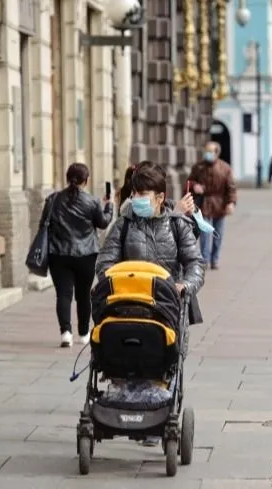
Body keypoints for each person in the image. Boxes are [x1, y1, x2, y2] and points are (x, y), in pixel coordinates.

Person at [95, 161, 205, 446]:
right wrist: (111, 278)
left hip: (164, 309)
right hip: (127, 304)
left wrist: (186, 285)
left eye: (144, 194)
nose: (137, 199)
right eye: (135, 193)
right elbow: (105, 261)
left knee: (161, 359)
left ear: (159, 197)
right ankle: (123, 404)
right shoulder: (124, 224)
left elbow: (195, 265)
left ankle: (155, 413)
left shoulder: (177, 225)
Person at [39, 162, 113, 348]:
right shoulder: (92, 201)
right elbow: (103, 223)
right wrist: (109, 206)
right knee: (83, 295)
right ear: (85, 181)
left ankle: (65, 333)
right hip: (86, 254)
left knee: (63, 294)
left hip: (59, 253)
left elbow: (43, 225)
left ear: (67, 178)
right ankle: (84, 333)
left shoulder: (53, 199)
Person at [187, 141, 237, 269]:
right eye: (206, 151)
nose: (207, 154)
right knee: (205, 234)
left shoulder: (225, 168)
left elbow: (231, 187)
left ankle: (215, 259)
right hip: (203, 204)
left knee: (218, 234)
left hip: (219, 205)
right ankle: (205, 259)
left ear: (217, 153)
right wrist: (194, 186)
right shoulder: (198, 167)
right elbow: (189, 182)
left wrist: (231, 202)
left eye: (210, 151)